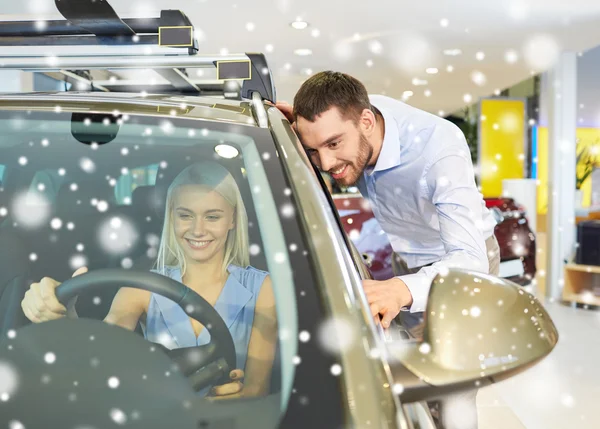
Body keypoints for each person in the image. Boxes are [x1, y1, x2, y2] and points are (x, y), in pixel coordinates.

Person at [276, 71, 500, 429]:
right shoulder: (352, 119)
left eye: (334, 144)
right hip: (406, 258)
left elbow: (469, 258)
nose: (327, 164)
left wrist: (401, 288)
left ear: (366, 121)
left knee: (455, 385)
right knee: (418, 376)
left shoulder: (437, 148)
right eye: (315, 150)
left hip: (461, 262)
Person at [21, 161, 278, 399]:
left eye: (212, 216)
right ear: (171, 216)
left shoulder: (262, 288)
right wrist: (66, 318)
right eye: (185, 215)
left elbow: (256, 389)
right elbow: (101, 353)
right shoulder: (140, 287)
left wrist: (226, 401)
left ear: (232, 219)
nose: (198, 230)